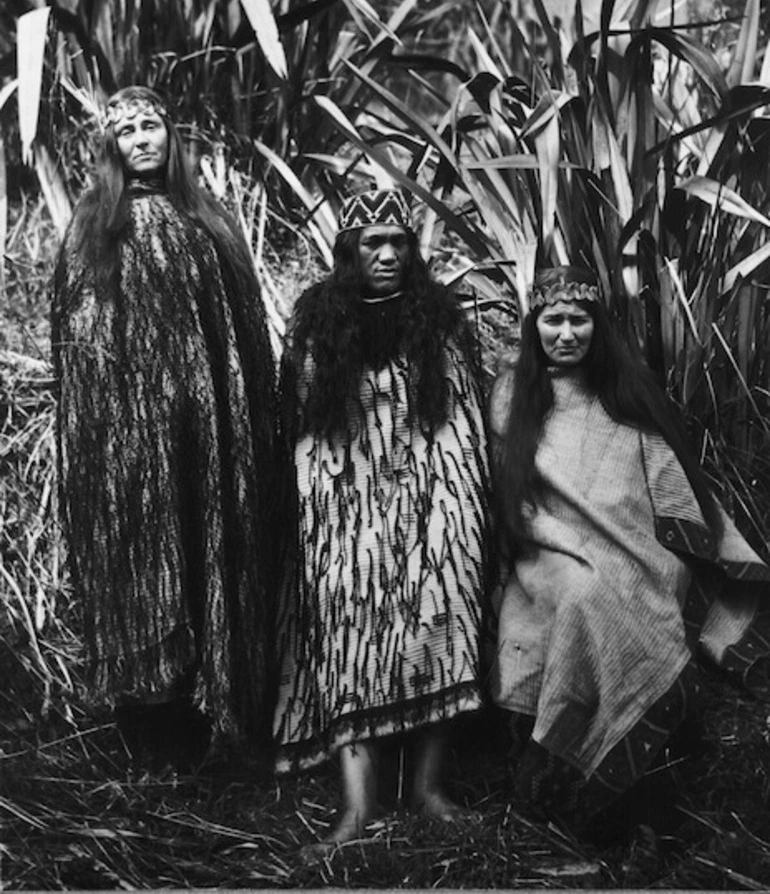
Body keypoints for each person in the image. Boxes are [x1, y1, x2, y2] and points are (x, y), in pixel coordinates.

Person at [489, 264, 770, 828]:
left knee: (634, 592)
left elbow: (661, 472)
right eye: (553, 320)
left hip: (633, 541)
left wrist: (658, 535)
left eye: (579, 320)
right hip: (544, 544)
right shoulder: (510, 393)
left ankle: (639, 790)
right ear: (534, 324)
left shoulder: (622, 387)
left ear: (597, 326)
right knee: (584, 598)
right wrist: (559, 537)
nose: (566, 333)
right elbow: (509, 487)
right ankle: (561, 781)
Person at [51, 86, 276, 752]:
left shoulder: (208, 224)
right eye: (127, 132)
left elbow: (241, 339)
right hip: (127, 445)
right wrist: (121, 427)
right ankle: (150, 732)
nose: (143, 139)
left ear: (171, 137)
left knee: (206, 547)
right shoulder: (92, 230)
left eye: (152, 126)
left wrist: (225, 418)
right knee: (143, 564)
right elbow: (81, 346)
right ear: (111, 148)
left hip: (205, 434)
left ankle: (215, 721)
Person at [273, 188, 491, 851]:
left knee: (441, 618)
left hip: (430, 499)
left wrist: (454, 509)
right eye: (374, 242)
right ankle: (357, 808)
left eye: (399, 241)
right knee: (347, 633)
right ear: (350, 251)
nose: (390, 254)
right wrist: (331, 512)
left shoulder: (439, 319)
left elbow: (460, 422)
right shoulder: (318, 320)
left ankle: (427, 789)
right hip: (345, 509)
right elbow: (304, 426)